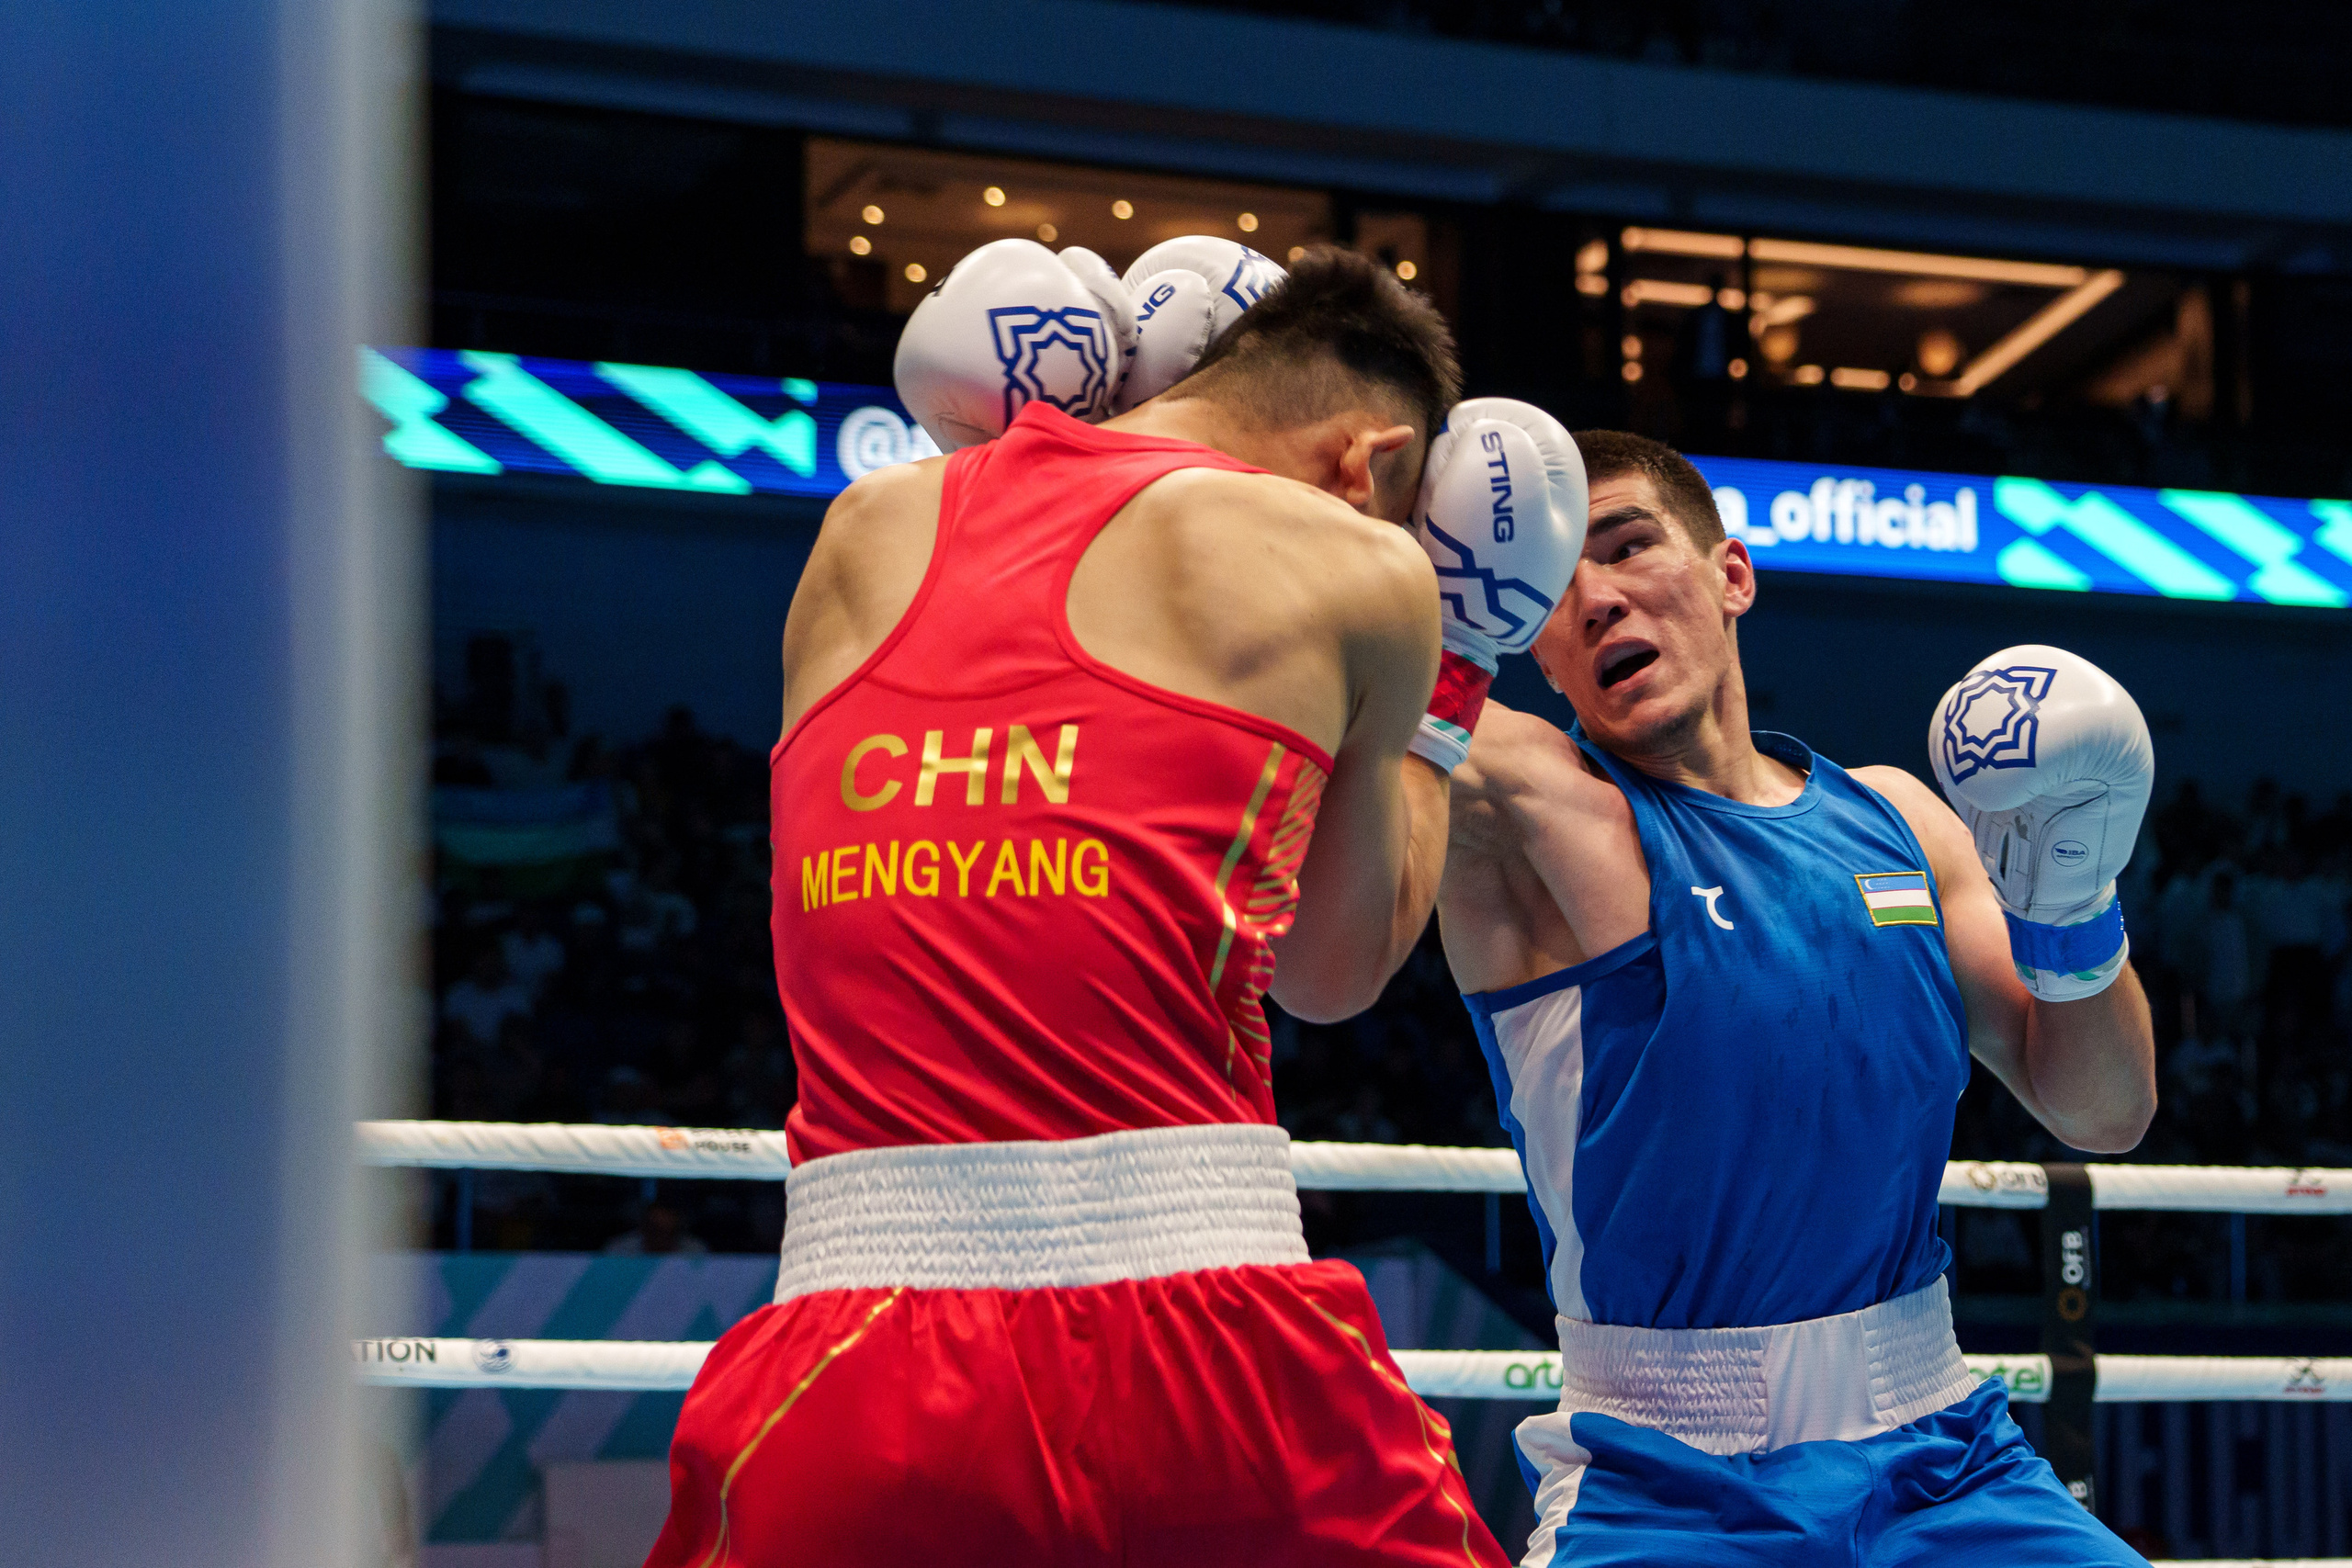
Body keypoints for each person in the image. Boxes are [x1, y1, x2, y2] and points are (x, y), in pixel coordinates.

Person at [645, 243, 1583, 1565]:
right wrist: (1463, 665)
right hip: (1205, 1336)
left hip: (847, 1346)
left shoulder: (862, 532)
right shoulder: (1359, 566)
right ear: (1370, 462)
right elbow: (1334, 971)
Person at [1438, 431, 2158, 1566]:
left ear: (1731, 574)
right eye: (1554, 588)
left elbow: (2103, 1112)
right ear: (1540, 654)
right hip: (1663, 1478)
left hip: (1943, 1459)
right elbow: (1347, 672)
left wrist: (2075, 901)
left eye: (1628, 547)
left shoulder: (1903, 824)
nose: (1598, 599)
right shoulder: (1536, 821)